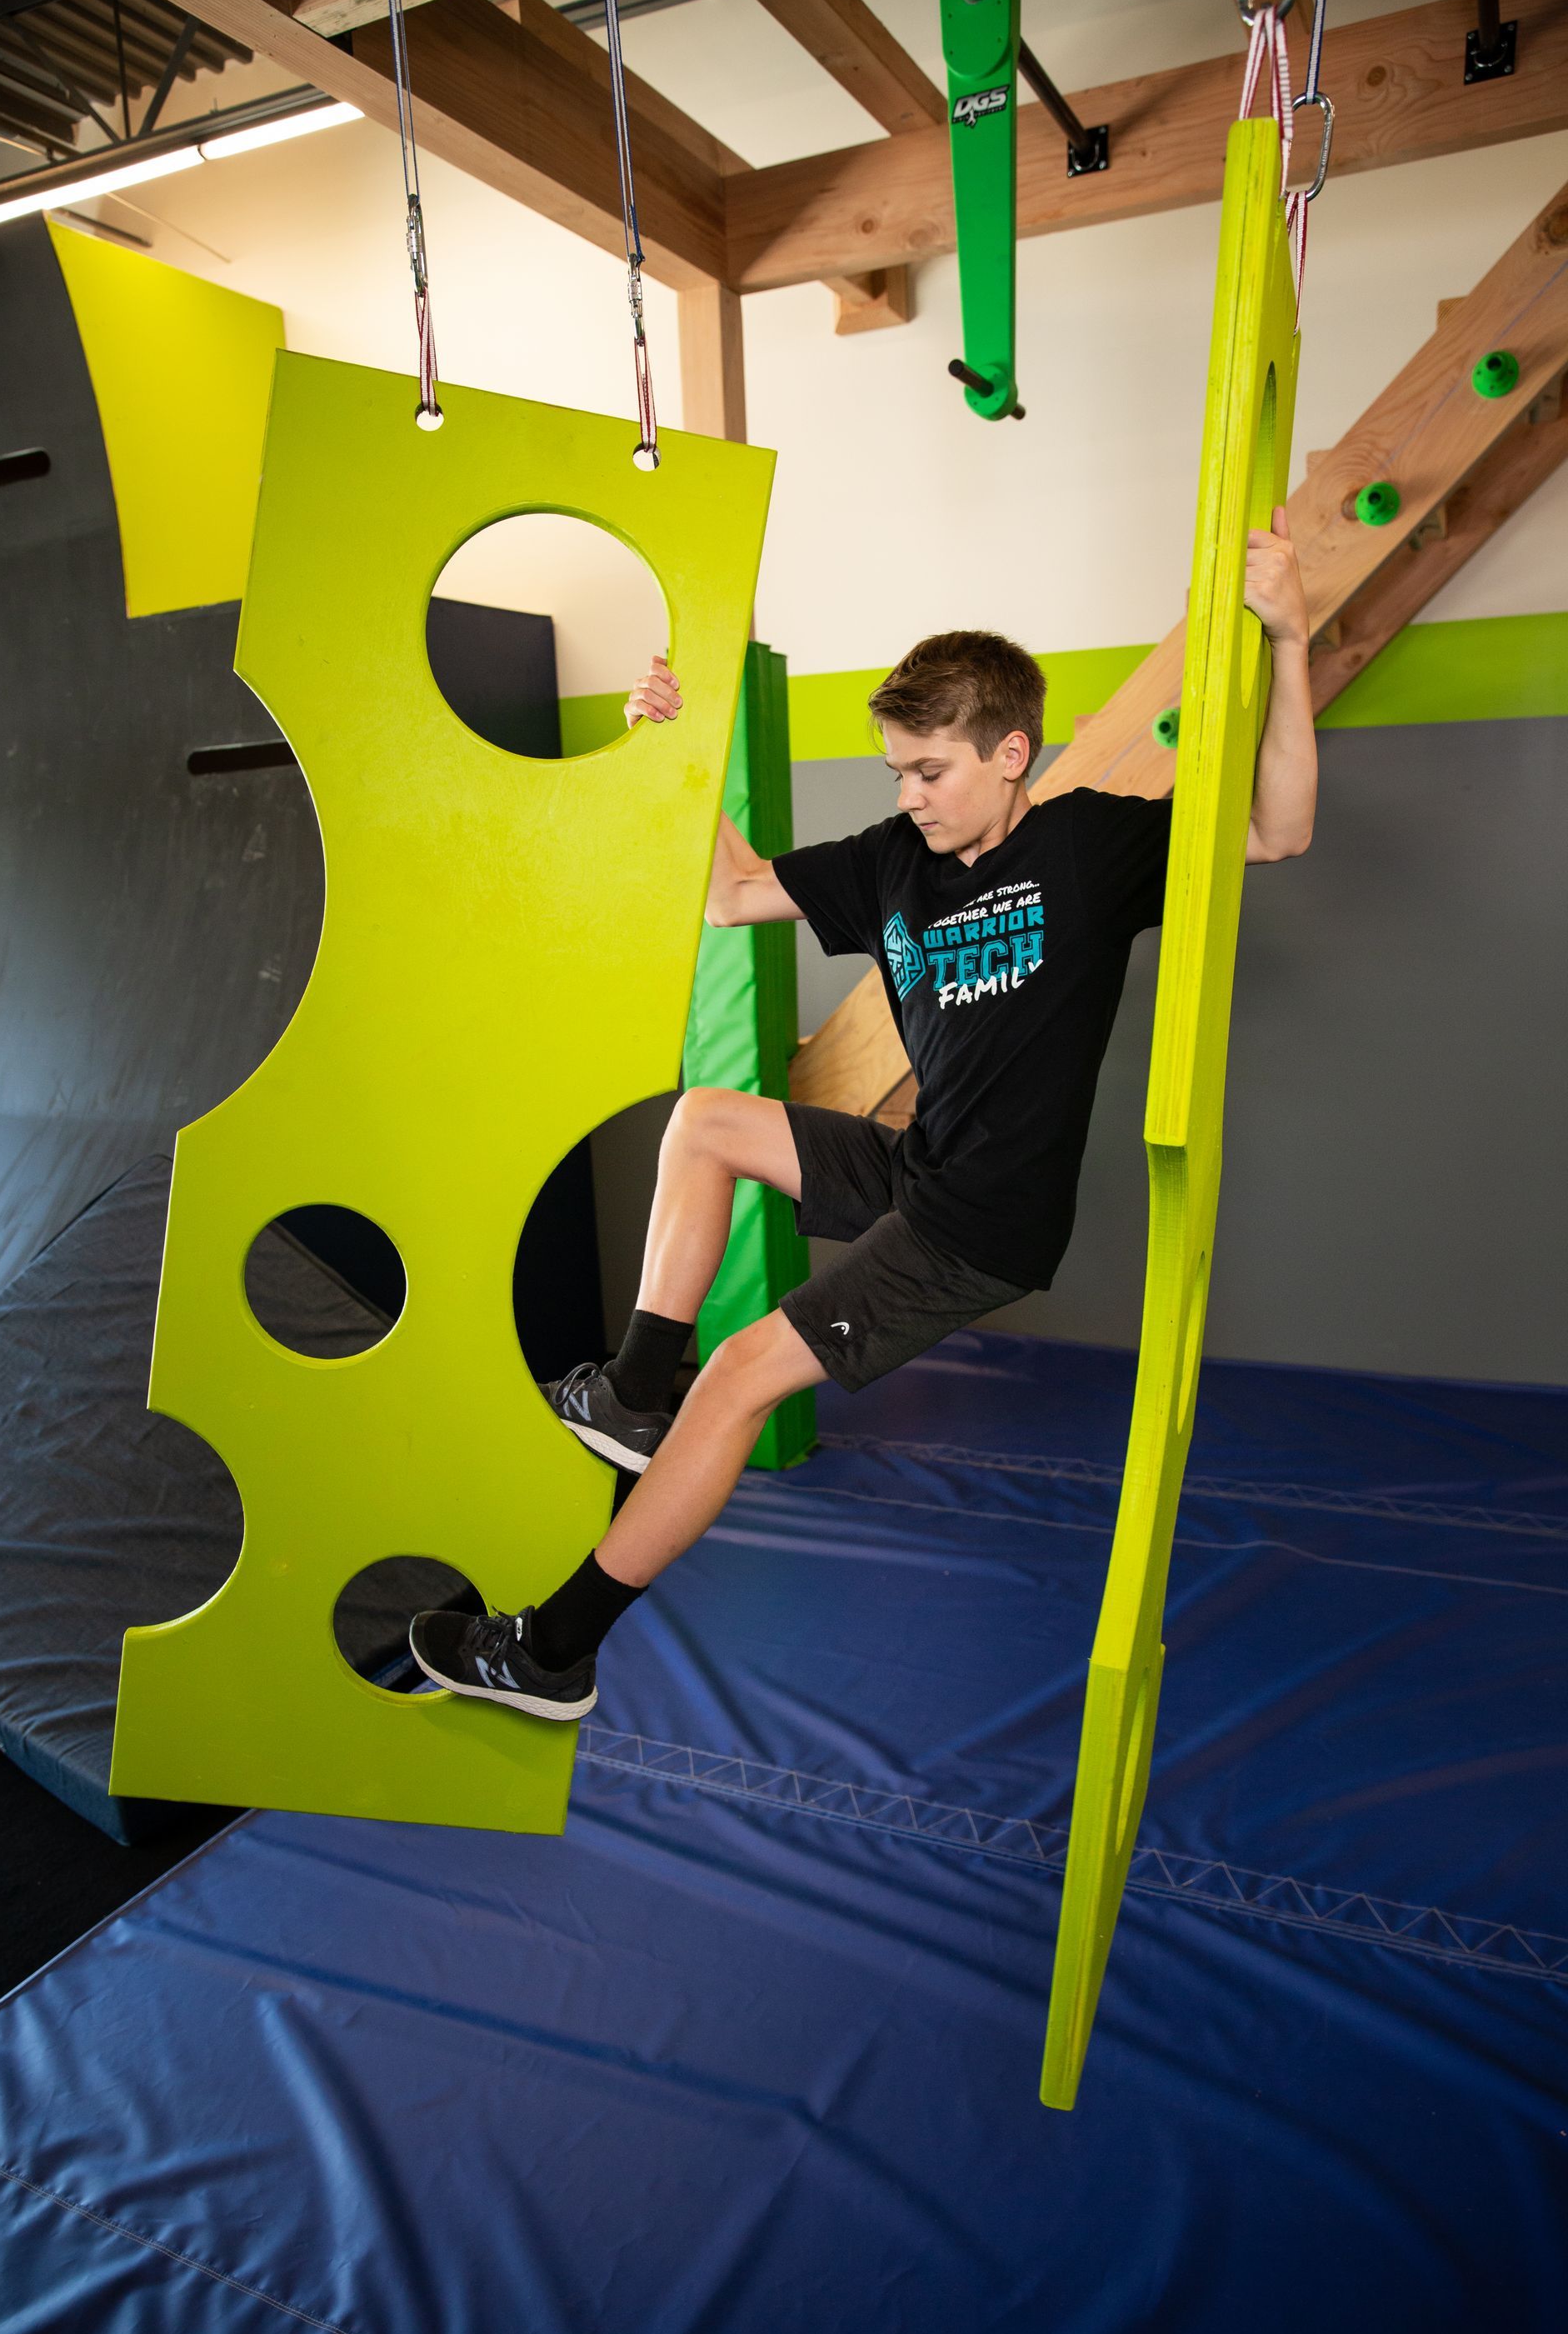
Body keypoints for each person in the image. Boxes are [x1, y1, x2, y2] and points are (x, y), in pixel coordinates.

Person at [411, 512, 1316, 1719]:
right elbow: (733, 894)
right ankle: (634, 1390)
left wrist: (1292, 637)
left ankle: (555, 1651)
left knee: (740, 1375)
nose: (912, 794)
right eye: (898, 769)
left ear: (1011, 754)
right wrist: (667, 753)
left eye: (930, 770)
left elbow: (1276, 828)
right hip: (923, 1164)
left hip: (983, 1222)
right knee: (709, 1121)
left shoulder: (1092, 845)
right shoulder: (897, 857)